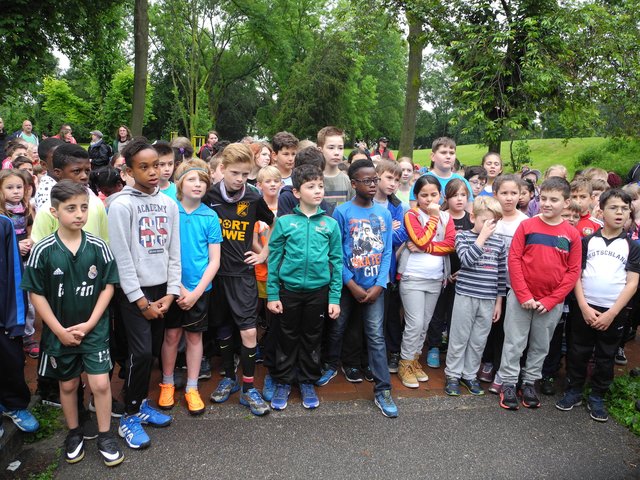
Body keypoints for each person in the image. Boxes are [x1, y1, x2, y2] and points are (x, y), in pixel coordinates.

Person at [21, 181, 123, 466]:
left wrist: (91, 323)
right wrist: (57, 330)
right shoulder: (43, 250)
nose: (79, 214)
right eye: (71, 208)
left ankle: (105, 436)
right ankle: (74, 432)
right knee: (68, 386)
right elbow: (36, 293)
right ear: (54, 212)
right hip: (60, 332)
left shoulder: (99, 247)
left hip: (94, 329)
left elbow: (108, 286)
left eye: (83, 208)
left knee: (101, 384)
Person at [107, 138, 179, 449]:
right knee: (141, 353)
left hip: (162, 290)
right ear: (128, 170)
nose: (153, 172)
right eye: (144, 167)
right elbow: (122, 258)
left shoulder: (168, 203)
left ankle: (139, 405)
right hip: (134, 293)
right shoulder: (121, 205)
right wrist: (140, 301)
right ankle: (128, 416)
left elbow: (174, 250)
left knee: (152, 349)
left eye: (157, 165)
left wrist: (172, 293)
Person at [321, 159, 398, 418]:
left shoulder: (384, 213)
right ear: (354, 183)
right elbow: (336, 252)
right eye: (367, 181)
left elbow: (386, 251)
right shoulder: (342, 212)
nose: (373, 184)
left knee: (375, 336)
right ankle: (331, 365)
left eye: (375, 180)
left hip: (375, 287)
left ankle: (382, 389)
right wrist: (349, 283)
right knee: (338, 326)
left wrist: (379, 285)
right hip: (348, 285)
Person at [497, 177, 581, 410]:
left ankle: (530, 381)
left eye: (554, 200)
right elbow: (514, 259)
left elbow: (573, 271)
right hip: (521, 298)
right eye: (543, 198)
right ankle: (509, 383)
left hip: (550, 303)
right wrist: (523, 294)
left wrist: (552, 300)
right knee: (514, 342)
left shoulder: (571, 235)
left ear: (566, 203)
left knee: (540, 345)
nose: (547, 203)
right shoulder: (527, 225)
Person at [202, 143, 274, 416]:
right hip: (216, 274)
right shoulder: (209, 197)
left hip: (243, 275)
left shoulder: (254, 198)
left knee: (248, 331)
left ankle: (248, 387)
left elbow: (274, 224)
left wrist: (264, 253)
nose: (240, 179)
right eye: (235, 173)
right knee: (222, 329)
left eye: (245, 174)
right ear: (222, 169)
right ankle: (229, 378)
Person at [556, 189, 640, 422]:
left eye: (624, 209)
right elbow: (576, 275)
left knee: (606, 354)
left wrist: (612, 313)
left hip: (614, 312)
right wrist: (582, 306)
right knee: (578, 350)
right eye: (614, 208)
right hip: (585, 306)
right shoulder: (586, 242)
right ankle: (574, 390)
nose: (620, 213)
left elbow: (632, 283)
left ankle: (597, 396)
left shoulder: (632, 247)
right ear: (601, 212)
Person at [266, 164, 342, 410]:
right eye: (311, 187)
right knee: (286, 336)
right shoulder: (285, 222)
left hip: (317, 292)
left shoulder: (330, 224)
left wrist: (334, 298)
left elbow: (337, 263)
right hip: (289, 291)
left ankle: (307, 380)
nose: (318, 191)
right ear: (297, 192)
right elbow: (274, 259)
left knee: (312, 336)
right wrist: (273, 293)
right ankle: (284, 381)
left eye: (320, 186)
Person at [158, 159, 222, 415]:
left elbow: (214, 260)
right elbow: (161, 252)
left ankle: (192, 387)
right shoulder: (168, 210)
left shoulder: (210, 215)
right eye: (192, 179)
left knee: (195, 337)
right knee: (171, 335)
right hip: (172, 288)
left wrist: (195, 292)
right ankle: (167, 382)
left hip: (199, 291)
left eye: (202, 181)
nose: (197, 185)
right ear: (179, 183)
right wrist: (179, 288)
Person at [444, 196, 506, 396]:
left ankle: (469, 374)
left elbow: (501, 275)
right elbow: (467, 260)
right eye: (485, 222)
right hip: (466, 296)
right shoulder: (462, 237)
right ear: (473, 217)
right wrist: (482, 237)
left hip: (487, 299)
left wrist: (499, 301)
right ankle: (453, 374)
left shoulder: (500, 242)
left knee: (478, 339)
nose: (489, 227)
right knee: (459, 337)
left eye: (493, 223)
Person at [396, 175, 454, 388]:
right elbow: (420, 238)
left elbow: (450, 244)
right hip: (412, 277)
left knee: (425, 323)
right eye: (424, 195)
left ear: (441, 195)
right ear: (416, 197)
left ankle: (414, 360)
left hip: (436, 278)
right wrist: (433, 217)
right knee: (415, 323)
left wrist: (426, 248)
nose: (429, 199)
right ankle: (405, 363)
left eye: (434, 194)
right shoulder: (411, 214)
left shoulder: (447, 218)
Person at [479, 175, 529, 392]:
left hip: (515, 285)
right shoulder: (491, 221)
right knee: (492, 326)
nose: (509, 198)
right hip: (490, 282)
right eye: (504, 193)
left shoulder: (526, 222)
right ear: (495, 194)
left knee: (512, 330)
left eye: (514, 193)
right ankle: (488, 362)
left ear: (520, 195)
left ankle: (504, 370)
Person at [426, 178, 475, 369]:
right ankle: (434, 347)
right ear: (446, 197)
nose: (459, 199)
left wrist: (464, 272)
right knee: (438, 311)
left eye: (463, 195)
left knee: (457, 314)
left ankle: (454, 351)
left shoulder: (471, 218)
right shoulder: (441, 216)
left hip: (465, 274)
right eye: (455, 195)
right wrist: (446, 273)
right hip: (442, 271)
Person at [0, 213, 40, 436]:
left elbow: (16, 274)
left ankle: (14, 405)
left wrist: (16, 320)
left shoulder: (3, 224)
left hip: (3, 317)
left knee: (11, 362)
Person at [31, 144, 108, 244]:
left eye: (87, 171)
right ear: (58, 172)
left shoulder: (96, 203)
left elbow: (105, 241)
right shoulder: (48, 210)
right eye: (77, 171)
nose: (84, 176)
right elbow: (39, 250)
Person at [373, 161, 406, 374]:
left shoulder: (396, 206)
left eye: (397, 180)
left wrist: (379, 231)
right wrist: (386, 230)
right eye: (389, 178)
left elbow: (401, 235)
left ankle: (393, 350)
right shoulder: (365, 203)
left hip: (389, 269)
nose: (393, 184)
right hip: (366, 268)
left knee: (391, 313)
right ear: (377, 176)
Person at [409, 137, 474, 207]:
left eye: (452, 153)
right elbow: (414, 212)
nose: (448, 156)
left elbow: (468, 212)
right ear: (433, 156)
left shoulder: (463, 182)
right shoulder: (421, 181)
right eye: (443, 152)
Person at [277, 147, 330, 217]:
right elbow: (284, 224)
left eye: (319, 172)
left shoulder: (319, 198)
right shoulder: (287, 197)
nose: (315, 176)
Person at [318, 126, 354, 214]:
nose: (337, 152)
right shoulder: (313, 179)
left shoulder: (348, 181)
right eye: (331, 148)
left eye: (340, 148)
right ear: (320, 150)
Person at [34, 138, 65, 212]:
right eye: (56, 158)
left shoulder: (62, 182)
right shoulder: (48, 192)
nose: (63, 161)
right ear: (44, 165)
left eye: (65, 156)